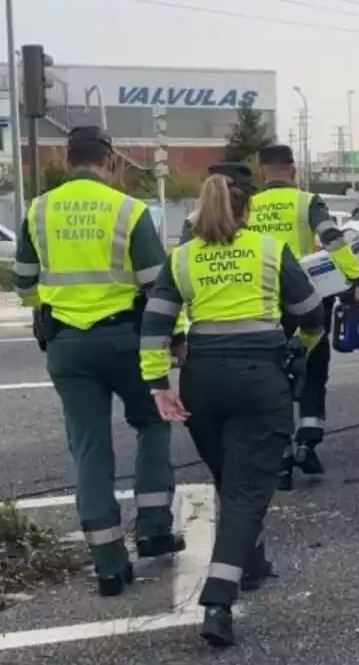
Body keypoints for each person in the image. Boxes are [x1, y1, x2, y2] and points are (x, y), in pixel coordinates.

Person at [139, 173, 326, 648]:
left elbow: (155, 324)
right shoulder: (268, 249)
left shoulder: (181, 258)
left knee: (233, 477)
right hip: (260, 379)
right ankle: (218, 601)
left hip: (201, 382)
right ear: (247, 213)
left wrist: (159, 385)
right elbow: (310, 312)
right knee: (246, 491)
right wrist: (301, 347)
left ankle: (254, 560)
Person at [10, 125, 183, 597]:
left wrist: (47, 307)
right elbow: (157, 284)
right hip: (126, 339)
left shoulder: (39, 209)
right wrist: (176, 337)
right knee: (152, 424)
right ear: (108, 162)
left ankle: (108, 563)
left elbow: (23, 283)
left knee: (89, 448)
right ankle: (153, 528)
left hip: (66, 344)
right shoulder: (128, 209)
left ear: (69, 161)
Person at [250, 144, 359, 489]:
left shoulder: (249, 206)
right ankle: (307, 442)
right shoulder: (307, 201)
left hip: (261, 303)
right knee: (314, 366)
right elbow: (331, 238)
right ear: (293, 170)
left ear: (261, 172)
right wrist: (356, 277)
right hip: (305, 299)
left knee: (274, 378)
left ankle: (282, 456)